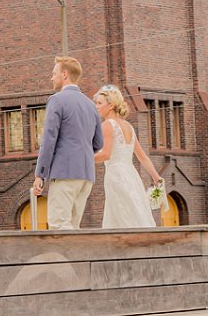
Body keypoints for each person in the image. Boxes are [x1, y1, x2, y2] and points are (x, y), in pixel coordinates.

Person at [30, 55, 104, 230]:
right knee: (73, 226)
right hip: (86, 174)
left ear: (64, 75)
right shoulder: (90, 105)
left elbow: (48, 140)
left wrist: (40, 174)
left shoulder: (57, 100)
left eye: (54, 73)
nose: (51, 77)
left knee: (58, 225)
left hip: (64, 172)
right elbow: (98, 143)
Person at [92, 84, 164, 229]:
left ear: (111, 105)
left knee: (122, 213)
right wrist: (156, 177)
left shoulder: (107, 125)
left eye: (99, 103)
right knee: (135, 210)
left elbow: (106, 154)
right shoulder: (128, 126)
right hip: (131, 175)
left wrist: (83, 159)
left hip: (116, 176)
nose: (96, 106)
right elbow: (142, 157)